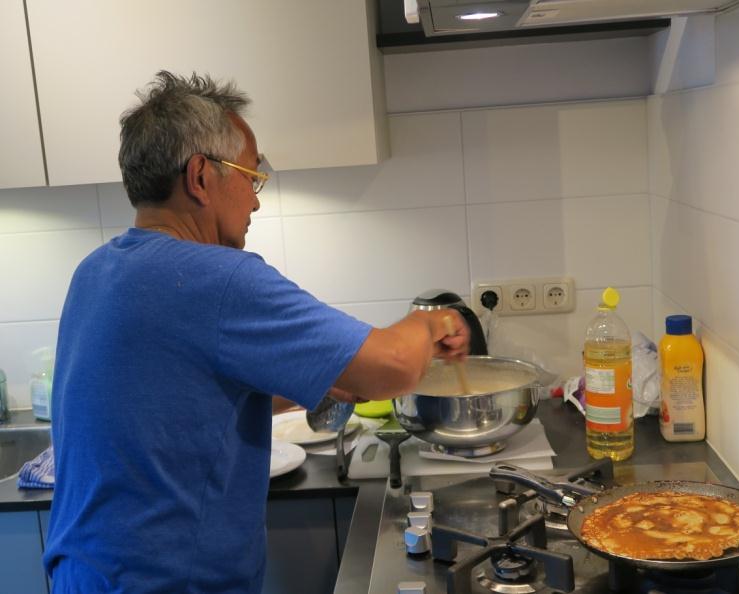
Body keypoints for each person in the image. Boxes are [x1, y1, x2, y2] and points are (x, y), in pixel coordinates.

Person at [43, 71, 470, 593]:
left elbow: (170, 405)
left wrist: (303, 383)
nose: (256, 201)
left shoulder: (98, 270)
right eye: (251, 175)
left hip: (89, 575)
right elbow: (392, 367)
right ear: (201, 176)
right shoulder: (217, 276)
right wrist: (434, 318)